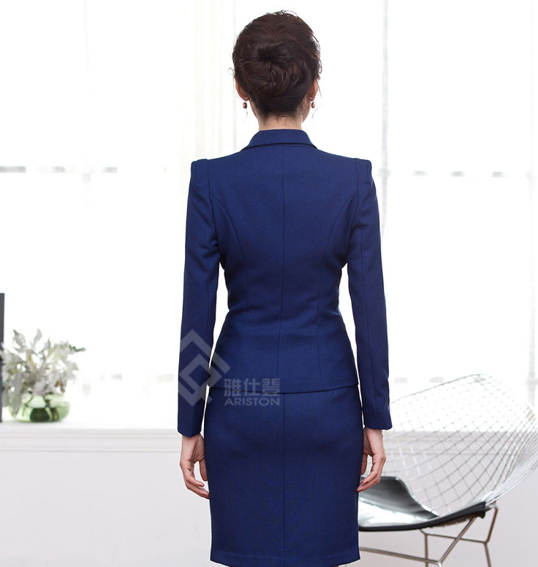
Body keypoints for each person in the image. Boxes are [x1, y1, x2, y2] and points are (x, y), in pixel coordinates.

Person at [178, 9, 392, 567]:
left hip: (240, 403)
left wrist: (189, 421)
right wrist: (375, 417)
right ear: (313, 88)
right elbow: (369, 312)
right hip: (327, 406)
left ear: (242, 89)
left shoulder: (211, 181)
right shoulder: (352, 180)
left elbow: (197, 313)